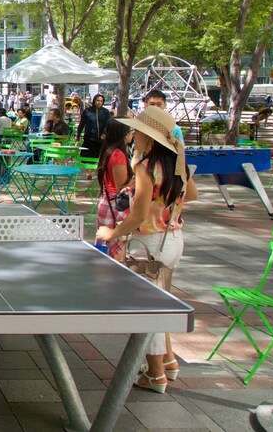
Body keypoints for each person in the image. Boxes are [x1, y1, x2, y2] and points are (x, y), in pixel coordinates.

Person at [95, 107, 197, 394]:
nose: (134, 135)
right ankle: (169, 361)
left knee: (148, 309)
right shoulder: (177, 163)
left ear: (150, 137)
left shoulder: (145, 168)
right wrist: (164, 202)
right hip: (174, 240)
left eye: (138, 131)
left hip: (149, 245)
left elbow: (138, 216)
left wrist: (111, 232)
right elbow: (192, 193)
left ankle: (154, 375)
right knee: (162, 303)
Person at [94, 119, 134, 259]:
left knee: (106, 248)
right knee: (115, 251)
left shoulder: (109, 151)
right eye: (130, 132)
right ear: (124, 135)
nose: (132, 135)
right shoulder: (118, 155)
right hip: (115, 207)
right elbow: (122, 186)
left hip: (106, 203)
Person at [76, 94, 111, 159]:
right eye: (97, 100)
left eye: (101, 101)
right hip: (89, 139)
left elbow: (108, 124)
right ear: (94, 101)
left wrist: (104, 133)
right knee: (87, 159)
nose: (99, 102)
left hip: (101, 140)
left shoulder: (105, 112)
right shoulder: (87, 111)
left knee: (100, 158)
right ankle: (88, 169)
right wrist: (78, 134)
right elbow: (82, 124)